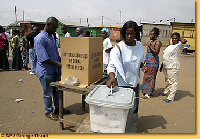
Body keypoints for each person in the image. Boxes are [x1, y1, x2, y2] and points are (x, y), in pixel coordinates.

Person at [106, 21, 145, 114]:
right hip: (122, 84)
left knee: (134, 107)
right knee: (123, 110)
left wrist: (143, 65)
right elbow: (111, 65)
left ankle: (132, 124)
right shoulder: (119, 48)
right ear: (124, 33)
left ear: (136, 34)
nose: (129, 36)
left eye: (132, 33)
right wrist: (111, 77)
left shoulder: (139, 45)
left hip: (134, 83)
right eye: (127, 33)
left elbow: (141, 60)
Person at [34, 17, 62, 121]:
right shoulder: (40, 38)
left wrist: (60, 60)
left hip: (54, 70)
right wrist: (58, 64)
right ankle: (48, 112)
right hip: (45, 71)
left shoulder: (51, 36)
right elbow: (43, 58)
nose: (55, 30)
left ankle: (58, 109)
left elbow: (55, 52)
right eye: (54, 27)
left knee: (56, 91)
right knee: (47, 93)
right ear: (48, 25)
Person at [159, 32, 187, 103]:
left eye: (176, 38)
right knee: (167, 80)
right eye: (173, 38)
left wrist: (179, 38)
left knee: (173, 82)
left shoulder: (179, 45)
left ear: (178, 39)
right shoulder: (170, 46)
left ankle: (170, 98)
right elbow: (166, 56)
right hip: (166, 66)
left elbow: (184, 41)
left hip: (173, 67)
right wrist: (162, 65)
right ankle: (166, 92)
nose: (174, 39)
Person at [142, 27, 162, 99]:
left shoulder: (157, 42)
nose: (150, 36)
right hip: (148, 62)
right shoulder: (150, 42)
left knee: (151, 77)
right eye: (150, 35)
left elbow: (156, 52)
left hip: (153, 63)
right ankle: (146, 91)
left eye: (151, 35)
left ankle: (149, 93)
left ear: (156, 35)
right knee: (146, 77)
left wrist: (150, 46)